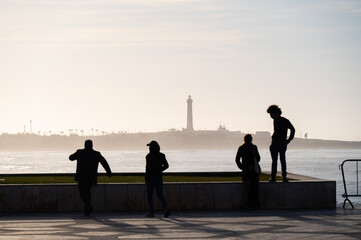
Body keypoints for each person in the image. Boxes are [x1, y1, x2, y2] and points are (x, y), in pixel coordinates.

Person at [69, 139, 112, 216]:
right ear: (92, 145)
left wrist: (75, 154)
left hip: (81, 176)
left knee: (82, 193)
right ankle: (87, 209)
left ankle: (88, 206)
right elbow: (104, 163)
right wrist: (108, 172)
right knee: (88, 192)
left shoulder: (80, 152)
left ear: (84, 145)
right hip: (91, 177)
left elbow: (71, 158)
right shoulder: (96, 154)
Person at [267, 105, 295, 182]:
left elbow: (277, 133)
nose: (270, 116)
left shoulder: (276, 120)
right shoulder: (285, 120)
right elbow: (293, 129)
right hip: (283, 143)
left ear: (275, 113)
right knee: (282, 160)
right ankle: (284, 177)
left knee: (275, 161)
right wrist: (289, 140)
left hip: (276, 143)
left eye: (271, 114)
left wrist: (288, 139)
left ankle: (273, 177)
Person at [145, 140, 170, 218]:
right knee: (160, 194)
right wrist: (159, 170)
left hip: (151, 178)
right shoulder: (161, 155)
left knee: (149, 196)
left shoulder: (148, 156)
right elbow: (166, 165)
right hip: (159, 177)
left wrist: (146, 178)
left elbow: (147, 168)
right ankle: (166, 206)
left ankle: (152, 212)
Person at [235, 134, 261, 209]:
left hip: (246, 171)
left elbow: (237, 159)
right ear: (251, 139)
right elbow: (258, 158)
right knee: (255, 189)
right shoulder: (254, 147)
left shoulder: (241, 148)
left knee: (248, 188)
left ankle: (249, 205)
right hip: (254, 171)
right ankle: (255, 204)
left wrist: (242, 167)